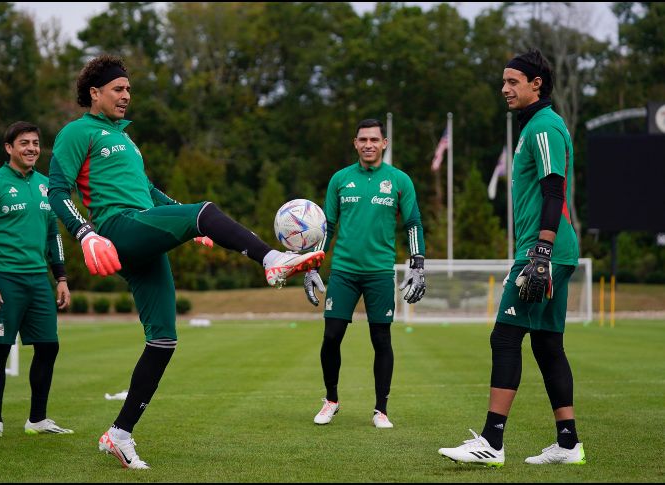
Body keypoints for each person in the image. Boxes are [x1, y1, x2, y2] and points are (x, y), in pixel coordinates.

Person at [47, 54, 324, 470]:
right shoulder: (78, 132)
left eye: (128, 90)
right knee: (205, 209)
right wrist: (86, 233)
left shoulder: (126, 141)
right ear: (95, 92)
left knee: (163, 340)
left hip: (141, 232)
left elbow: (150, 192)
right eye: (119, 89)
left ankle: (119, 434)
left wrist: (189, 220)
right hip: (119, 229)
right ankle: (271, 259)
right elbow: (55, 192)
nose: (126, 96)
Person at [438, 48, 585, 467]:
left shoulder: (544, 126)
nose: (504, 89)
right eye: (503, 82)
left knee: (504, 337)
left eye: (512, 82)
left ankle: (492, 441)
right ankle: (568, 443)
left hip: (545, 251)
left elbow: (554, 190)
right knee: (547, 345)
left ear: (536, 84)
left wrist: (540, 251)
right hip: (550, 250)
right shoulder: (534, 127)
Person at [303, 118, 426, 429]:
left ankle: (381, 410)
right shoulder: (340, 180)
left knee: (381, 339)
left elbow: (413, 223)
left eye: (374, 139)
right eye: (363, 140)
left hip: (380, 272)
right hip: (343, 271)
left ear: (384, 143)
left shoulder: (399, 181)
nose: (368, 145)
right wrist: (313, 265)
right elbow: (325, 227)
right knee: (331, 337)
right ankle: (331, 400)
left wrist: (417, 263)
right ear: (355, 144)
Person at [0, 121, 73, 438]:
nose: (31, 148)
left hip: (38, 280)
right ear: (9, 148)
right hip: (5, 280)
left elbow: (54, 236)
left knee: (48, 347)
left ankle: (37, 419)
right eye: (24, 143)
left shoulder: (47, 186)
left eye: (36, 143)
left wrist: (61, 278)